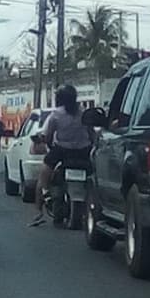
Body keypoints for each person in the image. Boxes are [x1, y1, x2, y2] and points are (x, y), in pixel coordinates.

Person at [30, 85, 95, 226]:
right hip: (83, 152)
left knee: (43, 177)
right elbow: (92, 135)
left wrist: (44, 141)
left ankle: (38, 212)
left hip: (61, 151)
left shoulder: (56, 115)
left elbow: (48, 138)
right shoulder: (84, 113)